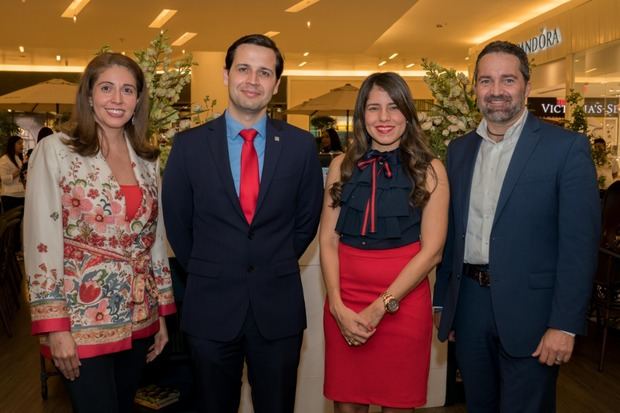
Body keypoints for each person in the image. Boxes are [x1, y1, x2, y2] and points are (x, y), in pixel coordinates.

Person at [433, 40, 601, 413]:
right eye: (486, 81)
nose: (496, 91)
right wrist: (446, 303)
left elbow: (580, 245)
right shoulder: (459, 151)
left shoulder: (566, 148)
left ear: (526, 85)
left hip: (535, 314)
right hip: (471, 306)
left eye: (507, 80)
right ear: (474, 87)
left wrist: (565, 324)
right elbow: (453, 233)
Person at [162, 34, 323, 413]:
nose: (253, 80)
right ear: (226, 74)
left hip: (278, 309)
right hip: (210, 309)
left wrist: (270, 260)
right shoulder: (188, 146)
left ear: (276, 84)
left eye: (264, 72)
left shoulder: (300, 147)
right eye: (244, 69)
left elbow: (306, 222)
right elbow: (179, 226)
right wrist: (214, 267)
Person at [24, 52, 176, 413]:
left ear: (139, 100)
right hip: (79, 320)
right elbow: (40, 240)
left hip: (139, 314)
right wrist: (54, 327)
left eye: (128, 90)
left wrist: (162, 317)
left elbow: (155, 241)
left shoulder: (148, 159)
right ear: (89, 94)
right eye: (107, 88)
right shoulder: (57, 152)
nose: (117, 99)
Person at [320, 72, 449, 412]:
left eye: (393, 107)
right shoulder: (340, 166)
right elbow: (328, 241)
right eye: (374, 108)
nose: (384, 118)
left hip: (402, 306)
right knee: (346, 404)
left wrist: (381, 307)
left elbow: (432, 251)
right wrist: (336, 305)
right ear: (362, 114)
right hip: (344, 304)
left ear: (407, 112)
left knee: (398, 403)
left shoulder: (431, 170)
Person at [0, 135, 25, 211]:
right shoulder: (4, 159)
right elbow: (4, 179)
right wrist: (15, 174)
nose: (22, 146)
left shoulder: (18, 158)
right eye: (19, 143)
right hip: (9, 195)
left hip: (21, 194)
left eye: (22, 143)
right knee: (12, 222)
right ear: (12, 144)